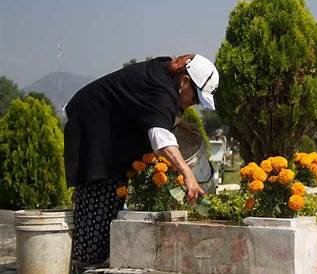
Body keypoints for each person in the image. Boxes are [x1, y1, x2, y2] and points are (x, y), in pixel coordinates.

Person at [64, 53, 219, 267]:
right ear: (184, 82)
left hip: (106, 130)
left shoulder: (166, 73)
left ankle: (92, 259)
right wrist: (188, 173)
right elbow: (159, 137)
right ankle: (86, 263)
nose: (194, 104)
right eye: (195, 98)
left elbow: (153, 114)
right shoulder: (163, 91)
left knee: (111, 200)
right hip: (93, 129)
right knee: (100, 197)